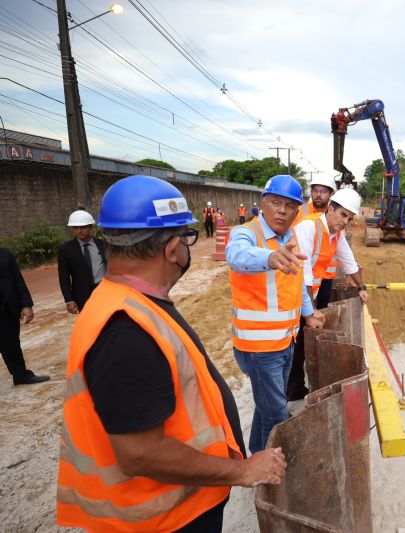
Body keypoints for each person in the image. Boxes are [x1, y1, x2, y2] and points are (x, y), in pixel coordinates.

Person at [56, 175, 286, 532]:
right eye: (188, 239)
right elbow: (141, 453)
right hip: (165, 518)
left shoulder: (130, 303)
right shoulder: (126, 330)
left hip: (177, 507)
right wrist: (241, 470)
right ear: (173, 248)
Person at [226, 174, 324, 453]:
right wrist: (269, 258)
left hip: (285, 341)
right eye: (275, 203)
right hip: (258, 347)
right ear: (263, 204)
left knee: (269, 404)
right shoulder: (247, 233)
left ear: (297, 211)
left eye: (290, 206)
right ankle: (269, 469)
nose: (282, 210)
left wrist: (309, 314)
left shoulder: (290, 237)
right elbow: (237, 255)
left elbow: (296, 284)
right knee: (277, 413)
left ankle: (257, 454)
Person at [288, 187, 368, 400]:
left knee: (301, 341)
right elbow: (303, 273)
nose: (345, 222)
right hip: (291, 293)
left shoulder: (335, 234)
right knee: (293, 343)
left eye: (349, 219)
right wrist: (311, 311)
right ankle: (291, 389)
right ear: (330, 208)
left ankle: (294, 385)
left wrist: (361, 287)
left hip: (304, 294)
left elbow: (349, 261)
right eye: (343, 215)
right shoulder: (309, 227)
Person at [0, 247, 50, 385]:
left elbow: (18, 280)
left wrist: (26, 304)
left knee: (11, 344)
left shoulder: (5, 254)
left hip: (6, 309)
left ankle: (20, 375)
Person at [292, 175, 338, 310]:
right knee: (303, 311)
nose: (318, 195)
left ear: (331, 194)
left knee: (322, 309)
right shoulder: (300, 211)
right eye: (315, 191)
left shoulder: (335, 213)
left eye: (323, 191)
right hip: (304, 273)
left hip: (326, 275)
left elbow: (339, 242)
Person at [57, 209, 107, 313]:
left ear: (91, 227)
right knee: (90, 325)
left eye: (83, 227)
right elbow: (64, 277)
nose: (79, 231)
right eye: (75, 228)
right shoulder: (65, 249)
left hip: (105, 291)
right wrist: (69, 300)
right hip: (82, 296)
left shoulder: (103, 245)